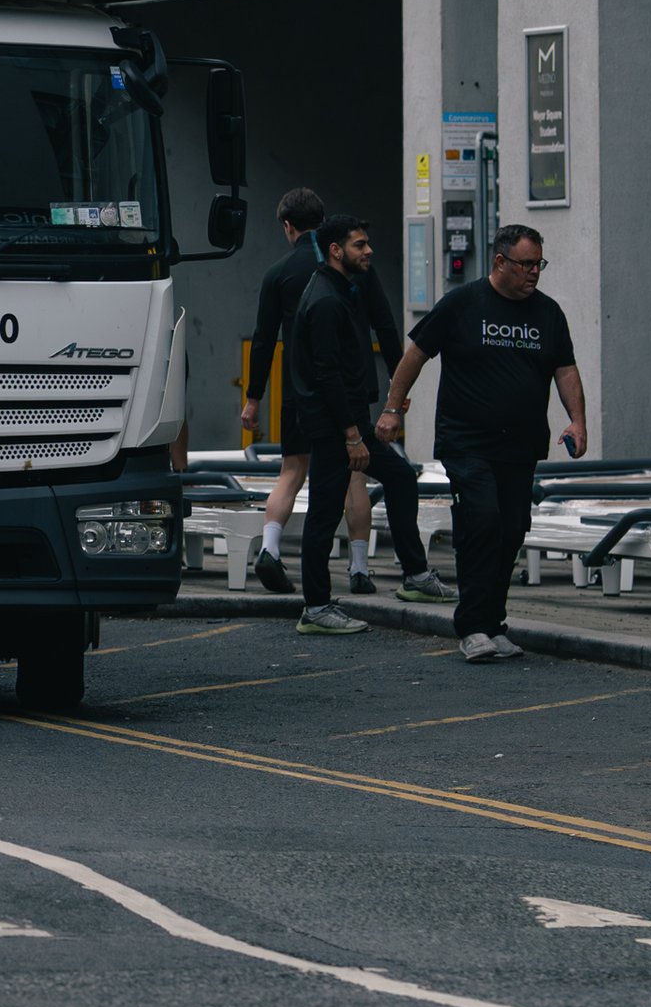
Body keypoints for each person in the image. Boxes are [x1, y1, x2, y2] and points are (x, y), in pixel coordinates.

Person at [379, 224, 588, 662]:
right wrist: (393, 409)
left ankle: (494, 622)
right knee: (482, 518)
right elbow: (414, 353)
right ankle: (473, 626)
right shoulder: (463, 303)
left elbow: (564, 370)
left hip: (522, 444)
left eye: (539, 264)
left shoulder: (548, 313)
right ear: (499, 262)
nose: (534, 273)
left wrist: (578, 421)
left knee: (511, 529)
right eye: (526, 264)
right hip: (467, 441)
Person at [244, 192, 418, 599]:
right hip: (348, 390)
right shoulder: (351, 272)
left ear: (288, 226)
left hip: (300, 392)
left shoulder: (280, 272)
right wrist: (398, 385)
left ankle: (270, 547)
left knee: (292, 471)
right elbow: (386, 326)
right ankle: (358, 567)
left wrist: (254, 397)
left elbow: (264, 338)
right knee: (352, 475)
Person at [289, 216, 430, 635]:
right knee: (324, 513)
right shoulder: (327, 300)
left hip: (347, 418)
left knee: (401, 477)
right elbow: (327, 374)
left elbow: (382, 330)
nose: (369, 251)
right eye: (360, 245)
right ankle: (315, 607)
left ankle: (417, 576)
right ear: (336, 250)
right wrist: (352, 436)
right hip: (334, 424)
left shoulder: (341, 289)